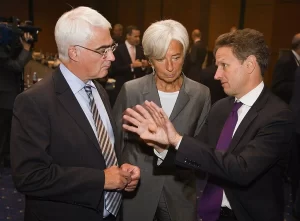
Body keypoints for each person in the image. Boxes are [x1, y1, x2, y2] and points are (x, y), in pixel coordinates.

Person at [123, 29, 294, 221]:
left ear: (250, 64)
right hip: (209, 215)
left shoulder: (278, 116)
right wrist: (161, 146)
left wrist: (177, 140)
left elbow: (241, 169)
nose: (217, 75)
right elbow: (198, 157)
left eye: (224, 65)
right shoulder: (221, 108)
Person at [10, 6, 140, 221]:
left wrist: (121, 171)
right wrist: (101, 180)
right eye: (102, 50)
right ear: (74, 52)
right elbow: (29, 177)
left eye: (112, 47)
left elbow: (99, 148)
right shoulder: (34, 101)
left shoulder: (98, 90)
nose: (112, 57)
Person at [113, 20, 211, 221]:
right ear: (149, 59)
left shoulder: (201, 94)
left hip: (180, 191)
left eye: (176, 57)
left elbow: (202, 150)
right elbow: (116, 141)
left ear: (185, 54)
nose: (169, 67)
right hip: (136, 191)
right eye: (160, 59)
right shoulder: (131, 90)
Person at [0, 32, 32, 167]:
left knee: (8, 132)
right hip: (4, 99)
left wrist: (25, 46)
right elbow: (16, 65)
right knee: (3, 132)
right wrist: (25, 49)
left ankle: (6, 159)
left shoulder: (5, 49)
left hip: (7, 97)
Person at [110, 25, 149, 106]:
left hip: (137, 88)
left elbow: (142, 71)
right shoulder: (118, 50)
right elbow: (114, 70)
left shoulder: (140, 49)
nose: (138, 39)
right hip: (122, 87)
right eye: (135, 36)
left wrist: (143, 66)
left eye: (139, 36)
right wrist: (131, 66)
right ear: (128, 36)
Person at [271, 33, 300, 104]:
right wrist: (297, 85)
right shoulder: (285, 60)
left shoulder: (294, 59)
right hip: (285, 106)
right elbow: (277, 87)